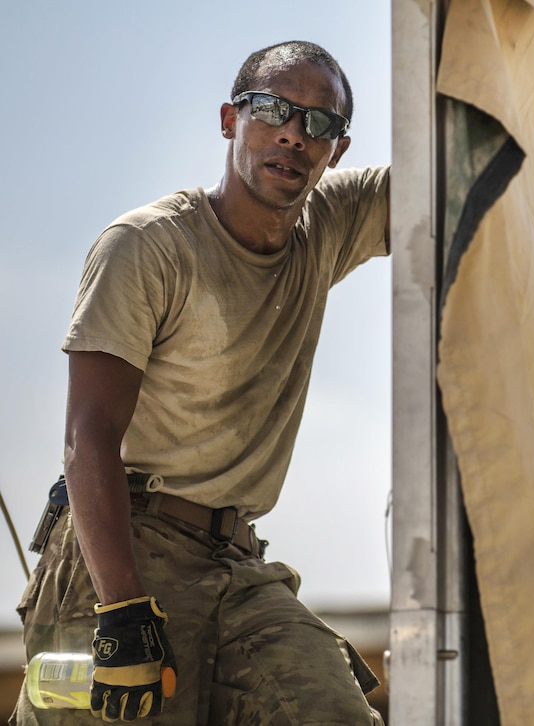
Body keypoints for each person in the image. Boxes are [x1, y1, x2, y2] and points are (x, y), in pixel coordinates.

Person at [12, 40, 389, 725]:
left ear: (336, 148)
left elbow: (452, 171)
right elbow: (87, 436)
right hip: (123, 547)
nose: (293, 134)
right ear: (228, 120)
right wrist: (122, 610)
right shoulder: (149, 246)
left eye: (319, 124)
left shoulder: (330, 223)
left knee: (334, 712)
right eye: (273, 108)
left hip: (237, 564)